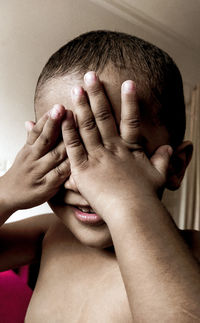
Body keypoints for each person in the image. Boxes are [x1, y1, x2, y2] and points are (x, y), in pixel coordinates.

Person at [0, 30, 199, 322]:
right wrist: (5, 193)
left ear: (176, 166)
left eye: (115, 158)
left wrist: (126, 202)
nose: (83, 181)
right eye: (63, 151)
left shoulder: (191, 253)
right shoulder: (52, 234)